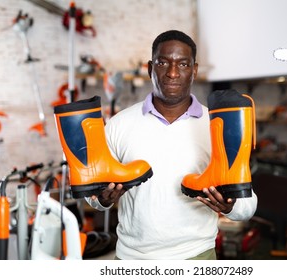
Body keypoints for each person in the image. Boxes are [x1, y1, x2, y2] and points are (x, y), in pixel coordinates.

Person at [85, 30, 258, 260]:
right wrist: (102, 200)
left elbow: (247, 205)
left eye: (183, 64)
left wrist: (230, 206)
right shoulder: (118, 124)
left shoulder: (217, 125)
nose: (173, 73)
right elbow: (92, 196)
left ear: (194, 70)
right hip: (131, 259)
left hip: (196, 256)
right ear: (150, 68)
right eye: (163, 62)